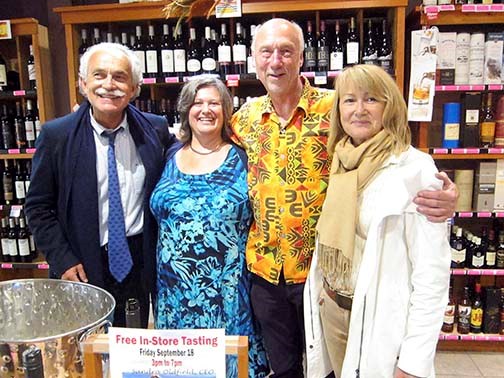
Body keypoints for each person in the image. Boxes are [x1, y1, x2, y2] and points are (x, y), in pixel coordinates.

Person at [231, 18, 457, 378]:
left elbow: (391, 154)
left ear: (302, 58)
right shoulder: (244, 119)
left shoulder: (337, 106)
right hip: (266, 272)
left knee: (332, 369)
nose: (276, 61)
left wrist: (442, 197)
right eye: (267, 52)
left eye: (286, 52)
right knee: (285, 369)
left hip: (319, 277)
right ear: (253, 60)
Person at [306, 64, 451, 378]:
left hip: (378, 321)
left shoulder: (416, 169)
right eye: (349, 100)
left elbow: (432, 275)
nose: (359, 110)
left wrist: (413, 362)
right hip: (332, 310)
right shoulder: (339, 159)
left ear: (390, 107)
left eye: (371, 99)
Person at [25, 42, 174, 327]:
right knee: (86, 351)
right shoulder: (57, 136)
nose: (109, 85)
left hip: (136, 262)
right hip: (80, 261)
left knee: (132, 346)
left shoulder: (155, 129)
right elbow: (39, 207)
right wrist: (63, 259)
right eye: (99, 75)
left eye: (120, 77)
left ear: (134, 88)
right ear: (83, 83)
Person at [150, 75, 269, 378]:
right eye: (197, 103)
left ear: (226, 111)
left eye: (214, 103)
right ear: (186, 110)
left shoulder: (244, 157)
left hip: (227, 294)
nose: (205, 110)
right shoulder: (168, 155)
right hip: (175, 293)